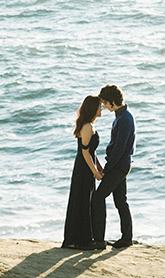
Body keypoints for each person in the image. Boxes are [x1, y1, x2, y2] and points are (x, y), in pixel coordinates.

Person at [87, 84, 136, 250]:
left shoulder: (124, 119)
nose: (104, 106)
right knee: (121, 201)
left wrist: (106, 169)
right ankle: (126, 238)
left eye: (105, 103)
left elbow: (119, 149)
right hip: (121, 165)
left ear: (112, 102)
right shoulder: (121, 116)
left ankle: (99, 239)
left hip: (119, 166)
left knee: (99, 197)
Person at [61, 95, 104, 249]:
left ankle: (84, 238)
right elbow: (85, 153)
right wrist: (95, 172)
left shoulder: (90, 125)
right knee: (82, 201)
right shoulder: (87, 127)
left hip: (87, 166)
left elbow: (92, 151)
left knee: (86, 200)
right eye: (100, 106)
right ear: (93, 108)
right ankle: (78, 240)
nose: (102, 108)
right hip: (83, 168)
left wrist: (99, 166)